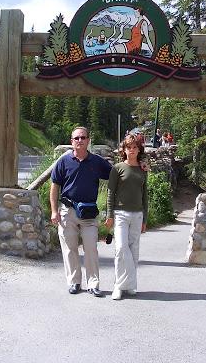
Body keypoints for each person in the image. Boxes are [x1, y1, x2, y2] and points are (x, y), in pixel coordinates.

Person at [50, 126, 112, 297]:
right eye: (76, 138)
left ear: (88, 140)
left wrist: (138, 166)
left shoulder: (97, 162)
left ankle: (93, 284)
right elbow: (54, 188)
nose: (80, 140)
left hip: (89, 213)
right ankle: (74, 282)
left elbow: (116, 175)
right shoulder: (63, 162)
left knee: (91, 247)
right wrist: (54, 211)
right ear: (71, 141)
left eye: (83, 137)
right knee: (69, 249)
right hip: (67, 211)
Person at [105, 134, 148, 300]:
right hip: (120, 213)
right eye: (128, 147)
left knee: (134, 250)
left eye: (135, 147)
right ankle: (120, 285)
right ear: (124, 150)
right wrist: (109, 215)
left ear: (139, 150)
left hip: (137, 214)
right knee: (121, 248)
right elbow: (110, 193)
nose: (132, 150)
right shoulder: (117, 168)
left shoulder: (143, 169)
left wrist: (145, 218)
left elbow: (145, 195)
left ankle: (128, 286)